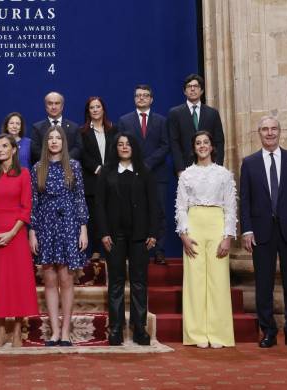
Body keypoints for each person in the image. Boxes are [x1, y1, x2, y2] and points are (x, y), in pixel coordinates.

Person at [240, 115, 287, 349]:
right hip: (261, 232)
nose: (270, 133)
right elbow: (245, 200)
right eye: (265, 129)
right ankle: (268, 331)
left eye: (273, 129)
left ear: (279, 132)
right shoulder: (249, 163)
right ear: (259, 133)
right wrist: (247, 230)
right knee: (264, 283)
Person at [95, 132, 158, 346]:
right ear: (115, 148)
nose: (124, 147)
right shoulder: (106, 172)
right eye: (120, 144)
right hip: (114, 237)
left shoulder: (145, 171)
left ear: (134, 147)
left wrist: (153, 232)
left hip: (140, 236)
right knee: (116, 283)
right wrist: (103, 232)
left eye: (128, 144)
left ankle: (139, 328)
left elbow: (154, 205)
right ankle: (116, 329)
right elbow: (99, 206)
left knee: (139, 283)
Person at [29, 126, 89, 347]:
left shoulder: (73, 166)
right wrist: (32, 232)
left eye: (58, 138)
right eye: (50, 139)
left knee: (66, 279)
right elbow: (34, 202)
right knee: (50, 280)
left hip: (68, 224)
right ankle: (54, 332)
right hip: (45, 226)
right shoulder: (37, 168)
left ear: (63, 143)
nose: (54, 141)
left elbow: (80, 198)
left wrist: (83, 229)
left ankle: (66, 332)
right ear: (46, 144)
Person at [0, 134, 39, 348]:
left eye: (5, 146)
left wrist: (12, 233)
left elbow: (26, 207)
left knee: (17, 282)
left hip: (16, 233)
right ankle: (1, 332)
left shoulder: (23, 174)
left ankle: (17, 332)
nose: (1, 150)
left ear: (14, 149)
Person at [176, 131, 236, 348]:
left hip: (217, 223)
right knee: (195, 280)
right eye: (198, 143)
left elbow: (230, 207)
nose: (202, 146)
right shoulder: (186, 175)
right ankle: (196, 333)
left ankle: (218, 333)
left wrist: (228, 236)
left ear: (212, 147)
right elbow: (181, 207)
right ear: (194, 148)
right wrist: (184, 234)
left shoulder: (223, 174)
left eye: (206, 143)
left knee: (219, 280)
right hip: (194, 224)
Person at [116, 84, 170, 265]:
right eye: (138, 95)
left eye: (145, 95)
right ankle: (138, 251)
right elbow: (122, 145)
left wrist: (147, 163)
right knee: (135, 211)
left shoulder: (162, 121)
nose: (141, 98)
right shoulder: (125, 120)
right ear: (134, 98)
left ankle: (159, 251)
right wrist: (138, 164)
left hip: (157, 173)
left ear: (151, 99)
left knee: (159, 211)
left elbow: (165, 145)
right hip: (133, 173)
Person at [80, 97, 117, 263]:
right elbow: (82, 154)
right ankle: (95, 250)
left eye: (98, 107)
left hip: (112, 179)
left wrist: (108, 170)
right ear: (88, 112)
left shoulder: (113, 130)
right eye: (91, 108)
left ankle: (111, 249)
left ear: (103, 109)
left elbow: (118, 152)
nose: (95, 110)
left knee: (111, 214)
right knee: (94, 217)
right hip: (92, 180)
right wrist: (97, 169)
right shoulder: (83, 132)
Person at [168, 74, 225, 175]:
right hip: (185, 169)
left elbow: (219, 141)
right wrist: (180, 169)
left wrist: (218, 166)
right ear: (184, 91)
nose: (192, 89)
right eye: (189, 87)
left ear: (202, 90)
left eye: (196, 86)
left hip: (210, 168)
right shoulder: (175, 113)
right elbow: (174, 143)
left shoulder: (213, 113)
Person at [30, 92, 83, 164]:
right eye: (50, 103)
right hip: (45, 168)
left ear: (62, 106)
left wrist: (64, 159)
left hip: (69, 166)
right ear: (45, 106)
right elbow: (35, 150)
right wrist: (52, 160)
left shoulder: (74, 127)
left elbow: (78, 148)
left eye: (57, 103)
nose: (53, 107)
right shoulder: (37, 128)